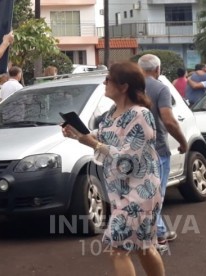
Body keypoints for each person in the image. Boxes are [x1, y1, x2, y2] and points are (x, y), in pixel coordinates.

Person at [63, 62, 164, 276]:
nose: (104, 82)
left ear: (123, 86)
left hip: (140, 192)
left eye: (108, 79)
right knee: (144, 246)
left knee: (117, 247)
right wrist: (77, 133)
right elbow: (102, 134)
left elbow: (130, 159)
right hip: (120, 192)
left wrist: (94, 145)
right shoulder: (112, 113)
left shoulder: (140, 115)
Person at [138, 54, 187, 252]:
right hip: (157, 149)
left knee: (144, 193)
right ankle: (159, 233)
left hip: (134, 150)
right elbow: (168, 120)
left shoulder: (129, 87)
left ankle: (156, 231)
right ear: (158, 69)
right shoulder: (160, 88)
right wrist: (183, 142)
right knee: (157, 193)